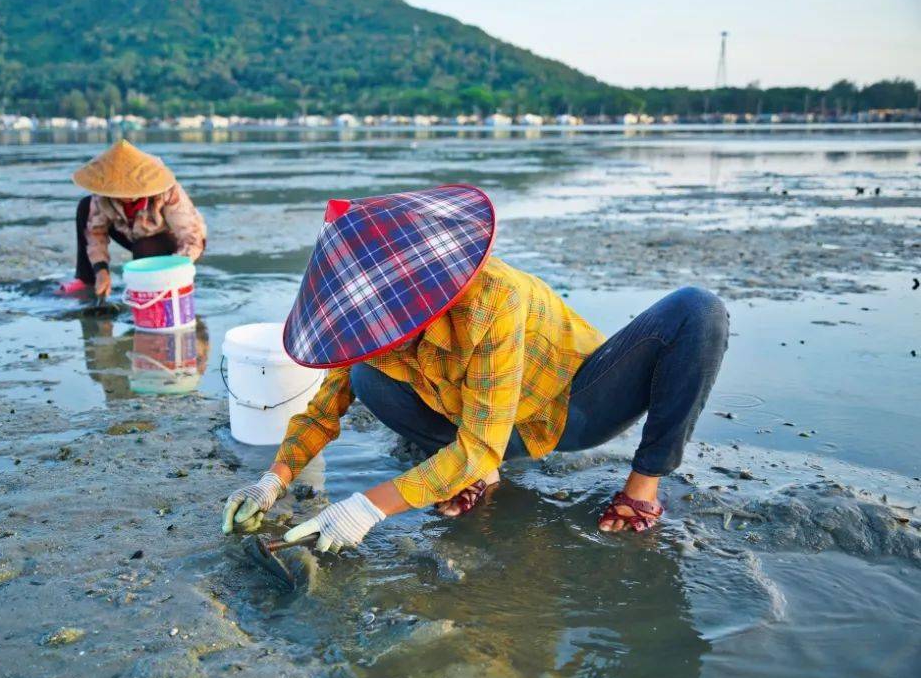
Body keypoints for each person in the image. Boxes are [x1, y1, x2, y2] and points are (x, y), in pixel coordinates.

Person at [222, 185, 728, 552]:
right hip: (484, 428)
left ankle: (644, 486)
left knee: (696, 310)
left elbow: (484, 438)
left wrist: (368, 506)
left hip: (572, 404)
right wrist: (273, 479)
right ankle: (478, 476)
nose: (374, 338)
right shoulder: (368, 328)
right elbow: (323, 409)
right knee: (361, 377)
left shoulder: (491, 300)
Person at [59, 139, 207, 298]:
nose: (125, 195)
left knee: (145, 247)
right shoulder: (103, 194)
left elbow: (193, 238)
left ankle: (151, 287)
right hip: (130, 232)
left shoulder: (168, 191)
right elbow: (96, 232)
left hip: (167, 240)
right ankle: (87, 278)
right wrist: (101, 270)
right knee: (85, 206)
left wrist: (172, 272)